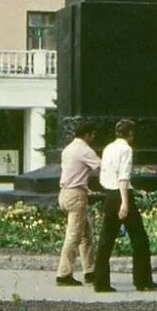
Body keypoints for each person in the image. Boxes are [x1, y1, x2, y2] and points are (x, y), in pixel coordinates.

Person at [92, 118, 157, 293]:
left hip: (110, 194)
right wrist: (125, 202)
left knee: (106, 240)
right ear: (130, 134)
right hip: (122, 195)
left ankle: (100, 282)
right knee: (140, 240)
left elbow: (109, 174)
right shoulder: (126, 149)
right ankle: (142, 280)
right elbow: (123, 177)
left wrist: (133, 190)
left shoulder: (108, 148)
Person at [55, 121, 101, 287]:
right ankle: (63, 274)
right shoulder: (85, 150)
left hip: (65, 193)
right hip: (76, 195)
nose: (94, 137)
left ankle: (90, 270)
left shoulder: (68, 149)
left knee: (85, 234)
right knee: (74, 236)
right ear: (87, 134)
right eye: (93, 134)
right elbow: (101, 166)